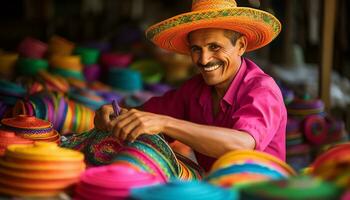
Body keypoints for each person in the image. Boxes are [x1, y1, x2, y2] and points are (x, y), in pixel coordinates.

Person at [94, 0, 287, 172]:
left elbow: (242, 144)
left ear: (241, 46)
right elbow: (144, 117)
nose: (204, 59)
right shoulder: (194, 89)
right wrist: (115, 115)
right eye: (196, 49)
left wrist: (165, 123)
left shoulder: (262, 89)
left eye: (215, 47)